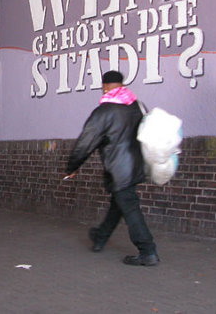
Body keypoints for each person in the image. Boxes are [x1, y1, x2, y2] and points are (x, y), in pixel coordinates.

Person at [64, 70, 159, 266]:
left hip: (118, 170)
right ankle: (100, 237)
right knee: (119, 204)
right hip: (135, 166)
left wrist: (72, 167)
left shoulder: (104, 111)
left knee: (130, 207)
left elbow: (86, 142)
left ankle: (147, 250)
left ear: (105, 86)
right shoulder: (137, 106)